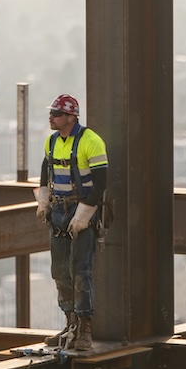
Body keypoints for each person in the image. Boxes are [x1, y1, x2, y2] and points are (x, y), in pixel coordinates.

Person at [34, 94, 108, 352]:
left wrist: (84, 216)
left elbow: (100, 183)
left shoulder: (91, 142)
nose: (51, 118)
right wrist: (44, 201)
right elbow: (46, 173)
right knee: (60, 272)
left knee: (81, 272)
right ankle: (71, 325)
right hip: (58, 211)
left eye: (55, 114)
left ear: (70, 117)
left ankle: (84, 330)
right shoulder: (52, 142)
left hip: (81, 209)